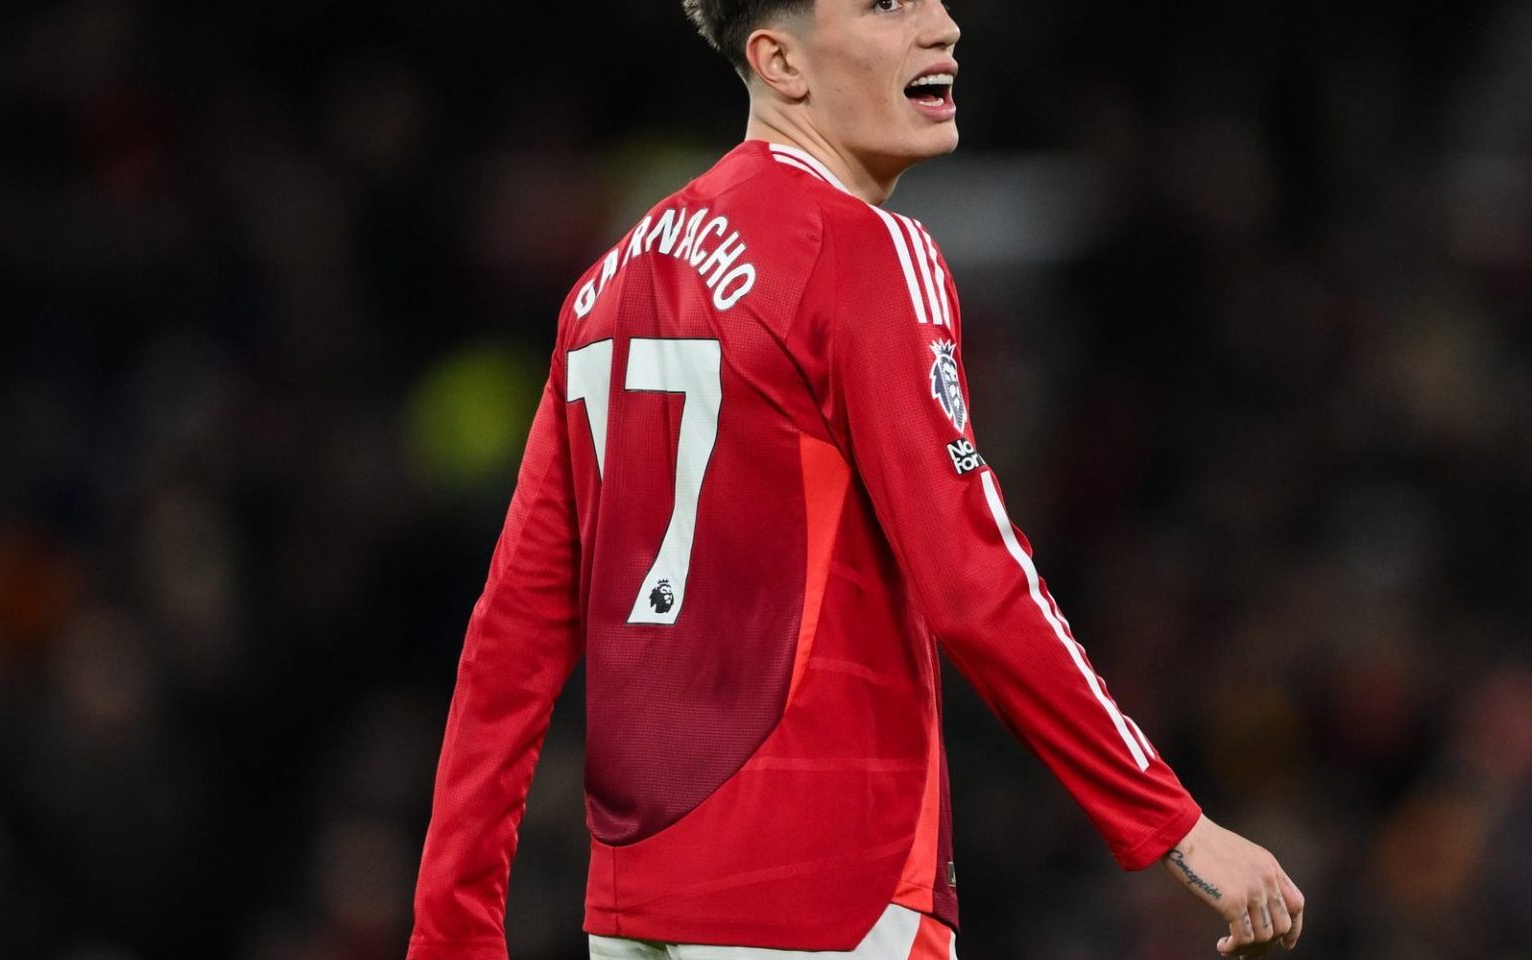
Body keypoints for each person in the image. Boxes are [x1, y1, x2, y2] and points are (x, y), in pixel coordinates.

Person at [407, 1, 1306, 957]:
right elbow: (975, 582)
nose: (945, 26)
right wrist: (1171, 821)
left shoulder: (603, 292)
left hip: (635, 915)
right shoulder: (865, 253)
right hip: (831, 891)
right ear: (779, 60)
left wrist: (451, 931)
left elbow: (509, 641)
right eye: (885, 3)